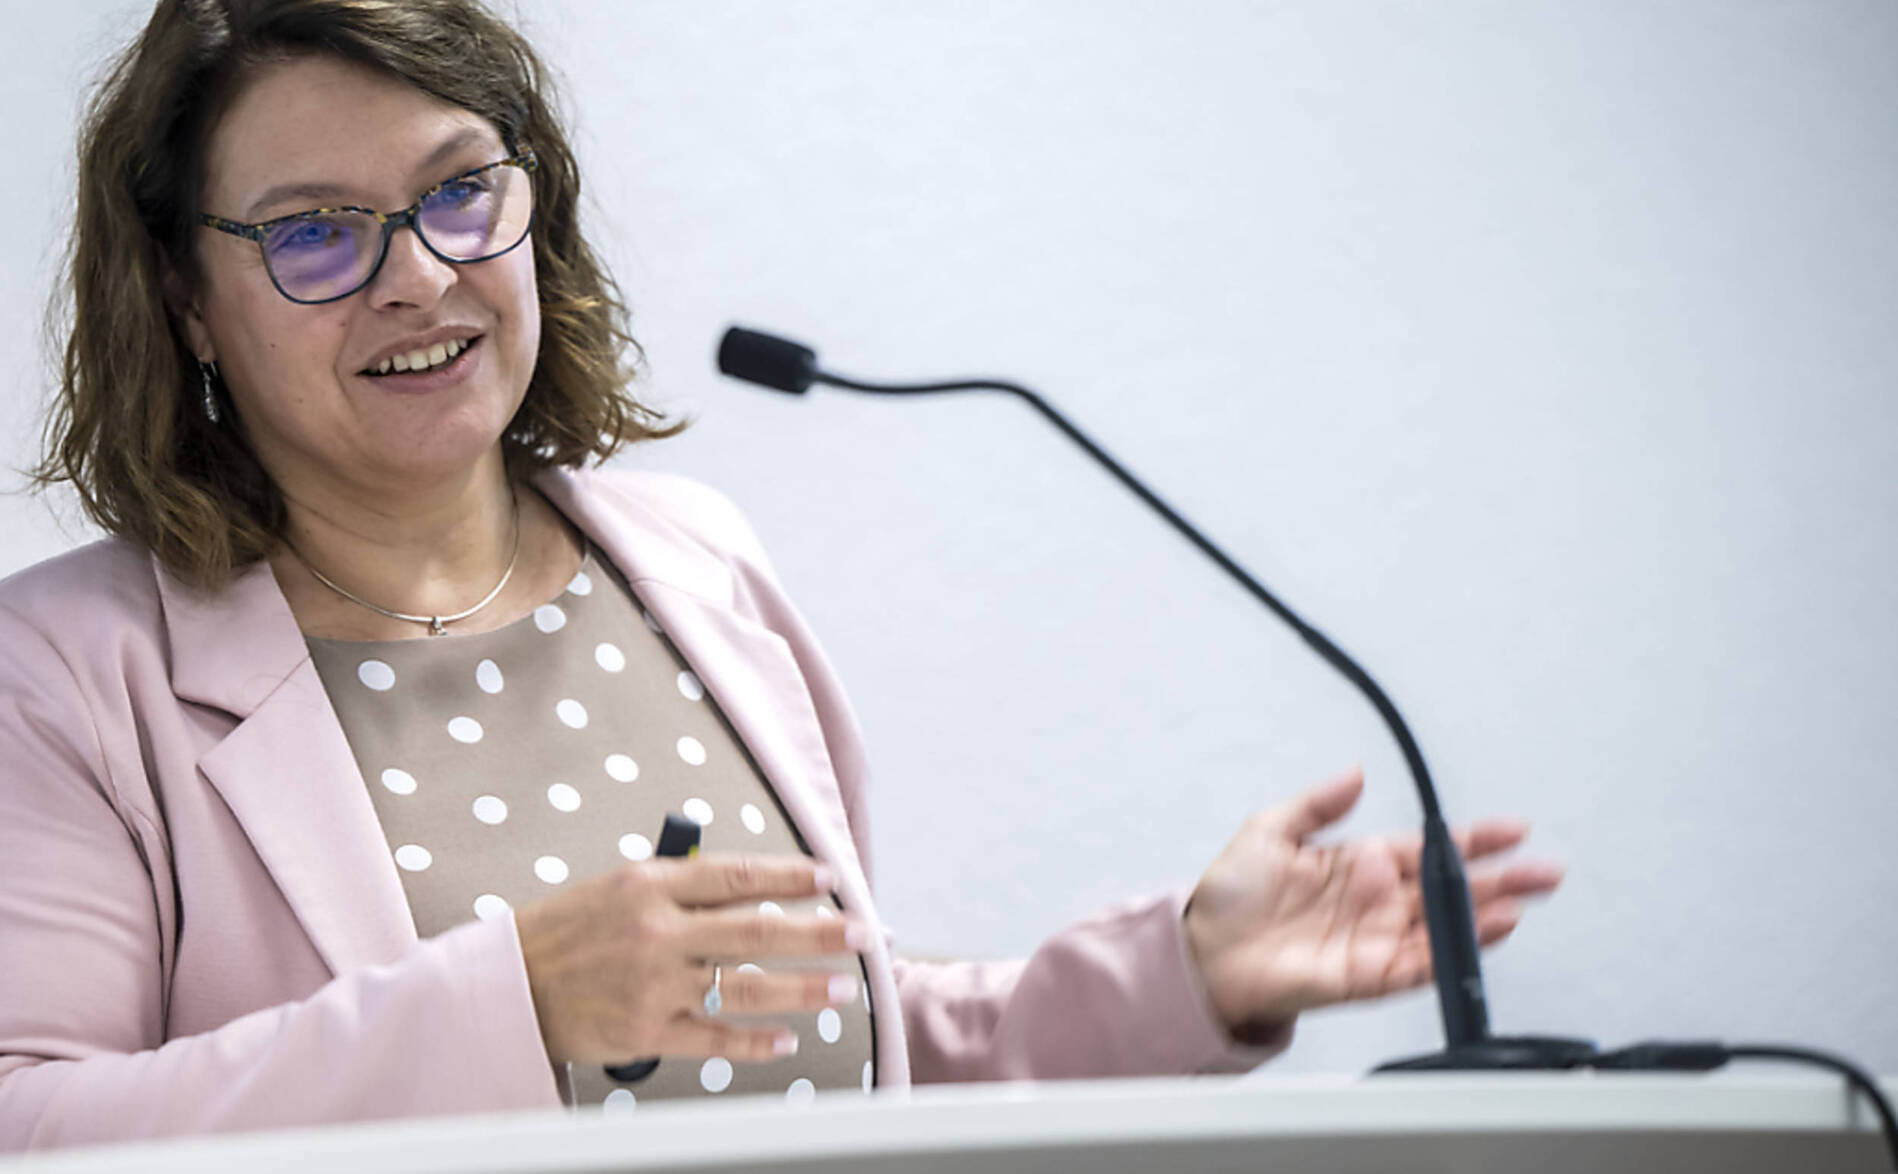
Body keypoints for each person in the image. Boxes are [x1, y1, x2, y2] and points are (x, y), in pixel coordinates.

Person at [0, 0, 1562, 1151]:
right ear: (187, 300)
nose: (417, 274)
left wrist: (1182, 974)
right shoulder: (69, 672)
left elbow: (836, 1044)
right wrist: (510, 1005)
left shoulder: (693, 560)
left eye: (459, 190)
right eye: (314, 235)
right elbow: (31, 1123)